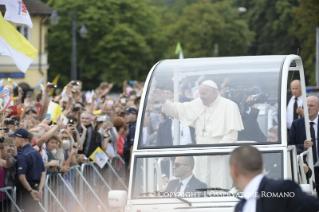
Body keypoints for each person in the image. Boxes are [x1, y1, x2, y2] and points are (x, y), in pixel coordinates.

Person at [230, 145, 319, 212]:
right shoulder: (240, 207)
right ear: (262, 166)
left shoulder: (281, 189)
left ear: (234, 171)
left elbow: (314, 206)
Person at [153, 80, 243, 144]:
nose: (200, 97)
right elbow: (179, 109)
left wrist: (216, 150)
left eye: (203, 94)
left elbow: (231, 136)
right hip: (201, 156)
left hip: (219, 157)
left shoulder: (229, 106)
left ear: (214, 94)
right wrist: (163, 101)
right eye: (200, 93)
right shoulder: (197, 103)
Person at [288, 96, 319, 195]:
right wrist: (303, 146)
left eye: (311, 106)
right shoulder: (296, 124)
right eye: (306, 105)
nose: (308, 108)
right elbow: (290, 147)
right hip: (304, 171)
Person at [10, 128, 46, 212]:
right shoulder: (36, 152)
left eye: (15, 139)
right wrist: (40, 189)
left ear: (21, 139)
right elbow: (43, 173)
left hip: (26, 191)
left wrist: (30, 191)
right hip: (36, 189)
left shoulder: (22, 155)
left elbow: (22, 177)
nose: (14, 142)